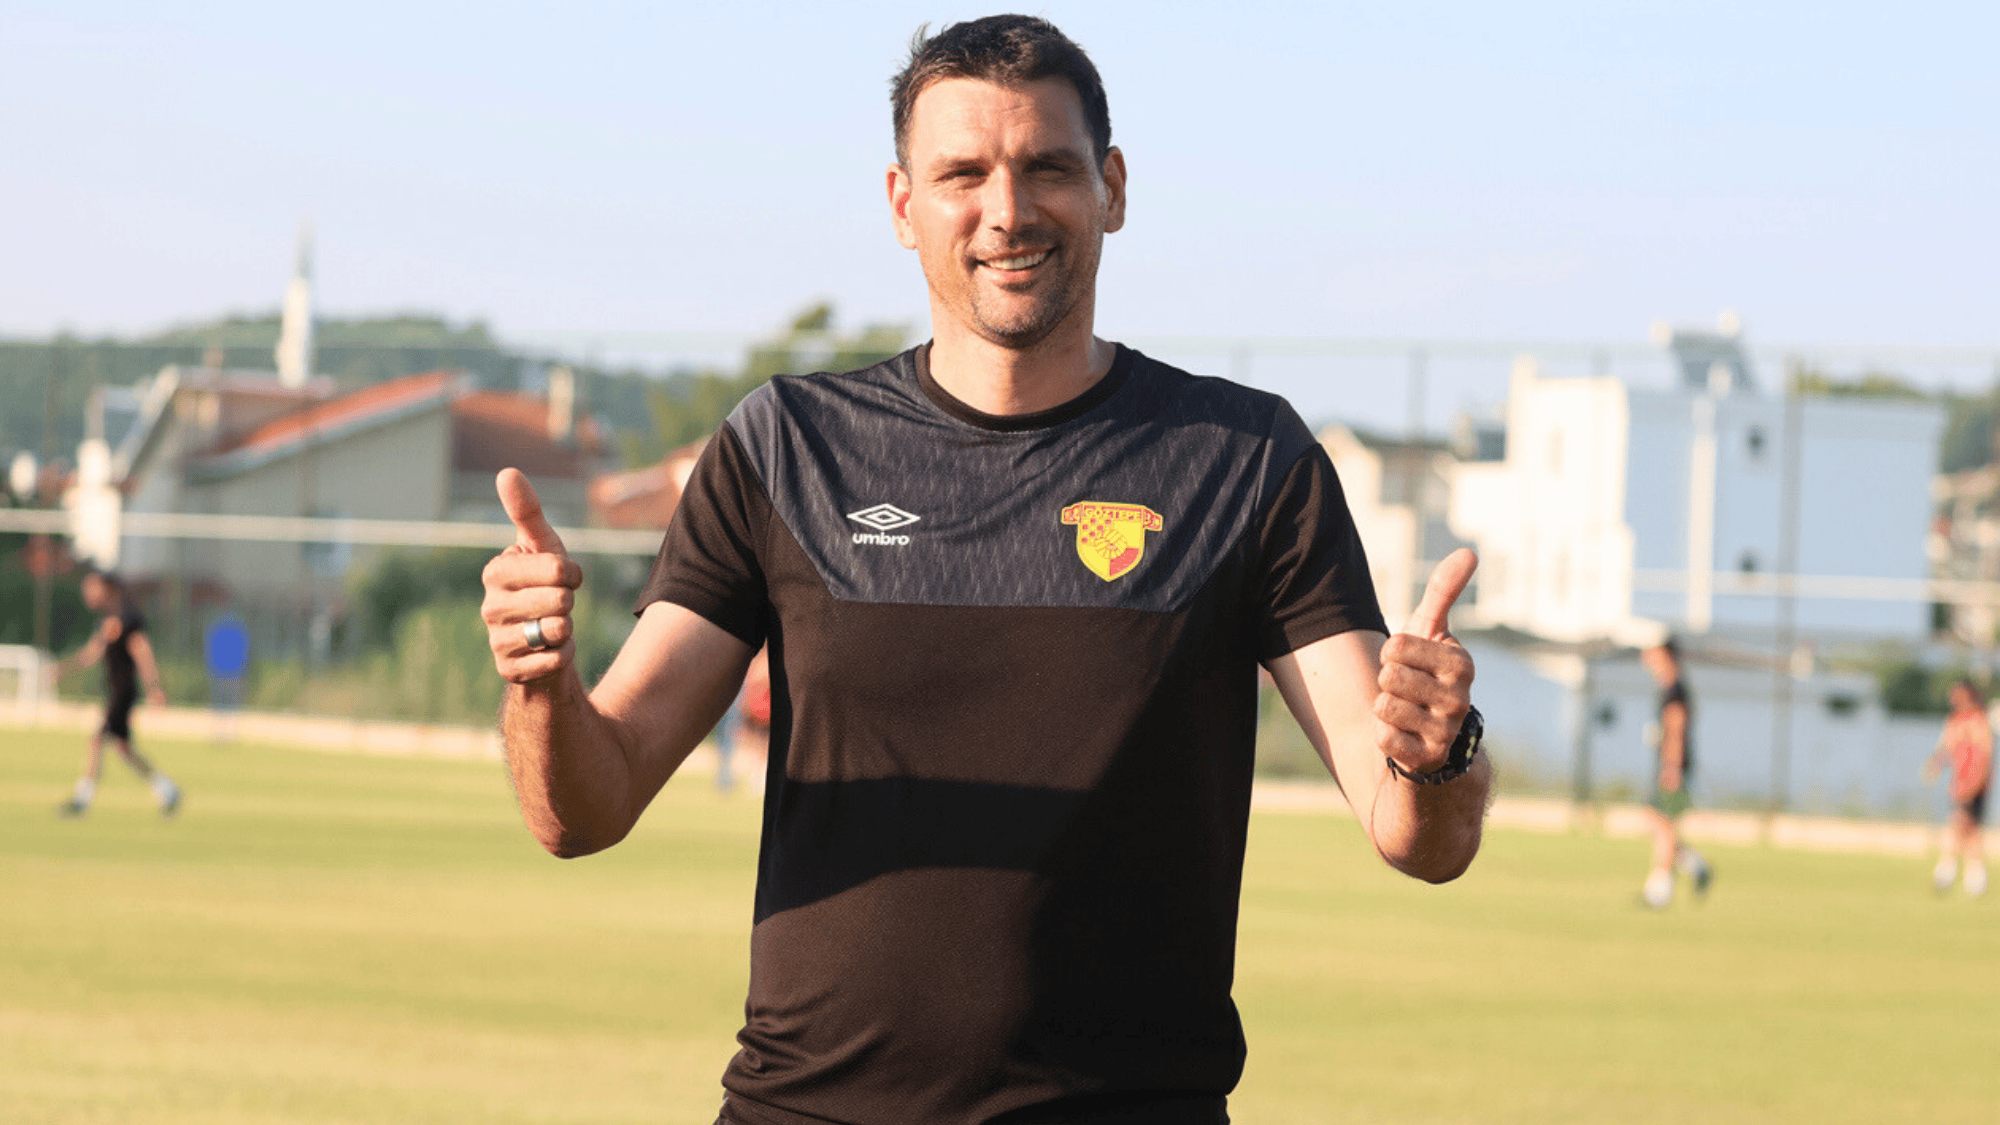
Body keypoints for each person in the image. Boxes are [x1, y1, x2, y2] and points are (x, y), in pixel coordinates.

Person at [480, 15, 1487, 1124]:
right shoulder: (784, 447)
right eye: (962, 173)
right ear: (903, 205)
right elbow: (585, 805)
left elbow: (1411, 834)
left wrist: (1437, 755)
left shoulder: (1244, 461)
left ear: (1110, 187)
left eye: (1046, 168)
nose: (1006, 211)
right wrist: (539, 686)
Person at [50, 571, 182, 818]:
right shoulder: (107, 621)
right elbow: (92, 653)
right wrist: (64, 669)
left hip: (124, 692)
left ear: (107, 589)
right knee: (123, 748)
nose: (87, 594)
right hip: (114, 692)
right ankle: (167, 789)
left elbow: (142, 651)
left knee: (97, 741)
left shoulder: (128, 617)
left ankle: (82, 799)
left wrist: (154, 687)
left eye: (92, 588)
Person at [1638, 636, 1712, 908]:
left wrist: (1671, 767)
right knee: (1654, 821)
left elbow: (1676, 730)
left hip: (1673, 768)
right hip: (1668, 766)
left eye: (1653, 655)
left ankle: (1659, 892)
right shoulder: (1668, 688)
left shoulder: (1676, 691)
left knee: (1663, 827)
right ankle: (1696, 866)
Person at [1922, 679, 1990, 897]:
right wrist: (1935, 765)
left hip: (1973, 785)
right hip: (1959, 784)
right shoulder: (1955, 721)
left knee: (1963, 828)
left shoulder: (1977, 721)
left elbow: (1984, 755)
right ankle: (1970, 876)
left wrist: (1975, 783)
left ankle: (1950, 872)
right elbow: (1946, 747)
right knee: (1966, 830)